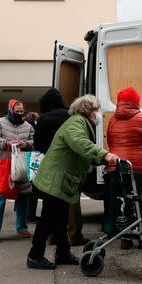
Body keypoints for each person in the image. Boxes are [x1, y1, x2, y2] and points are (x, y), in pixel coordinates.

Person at [27, 95, 119, 269]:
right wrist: (104, 154)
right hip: (55, 179)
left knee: (61, 219)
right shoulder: (77, 123)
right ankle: (34, 255)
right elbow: (80, 143)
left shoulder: (80, 123)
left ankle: (63, 253)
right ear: (88, 111)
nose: (98, 114)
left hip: (60, 179)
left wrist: (102, 159)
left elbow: (82, 152)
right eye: (96, 110)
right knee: (48, 218)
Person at [103, 86, 142, 247]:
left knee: (124, 202)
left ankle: (125, 238)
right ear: (135, 101)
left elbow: (110, 142)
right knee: (141, 202)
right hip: (139, 168)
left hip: (117, 168)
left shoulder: (112, 120)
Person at [0, 100, 35, 244]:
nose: (20, 114)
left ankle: (21, 227)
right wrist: (7, 143)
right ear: (10, 110)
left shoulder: (28, 126)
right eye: (17, 111)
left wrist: (25, 144)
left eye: (22, 112)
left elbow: (33, 142)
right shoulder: (0, 122)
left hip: (21, 165)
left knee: (23, 198)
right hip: (3, 166)